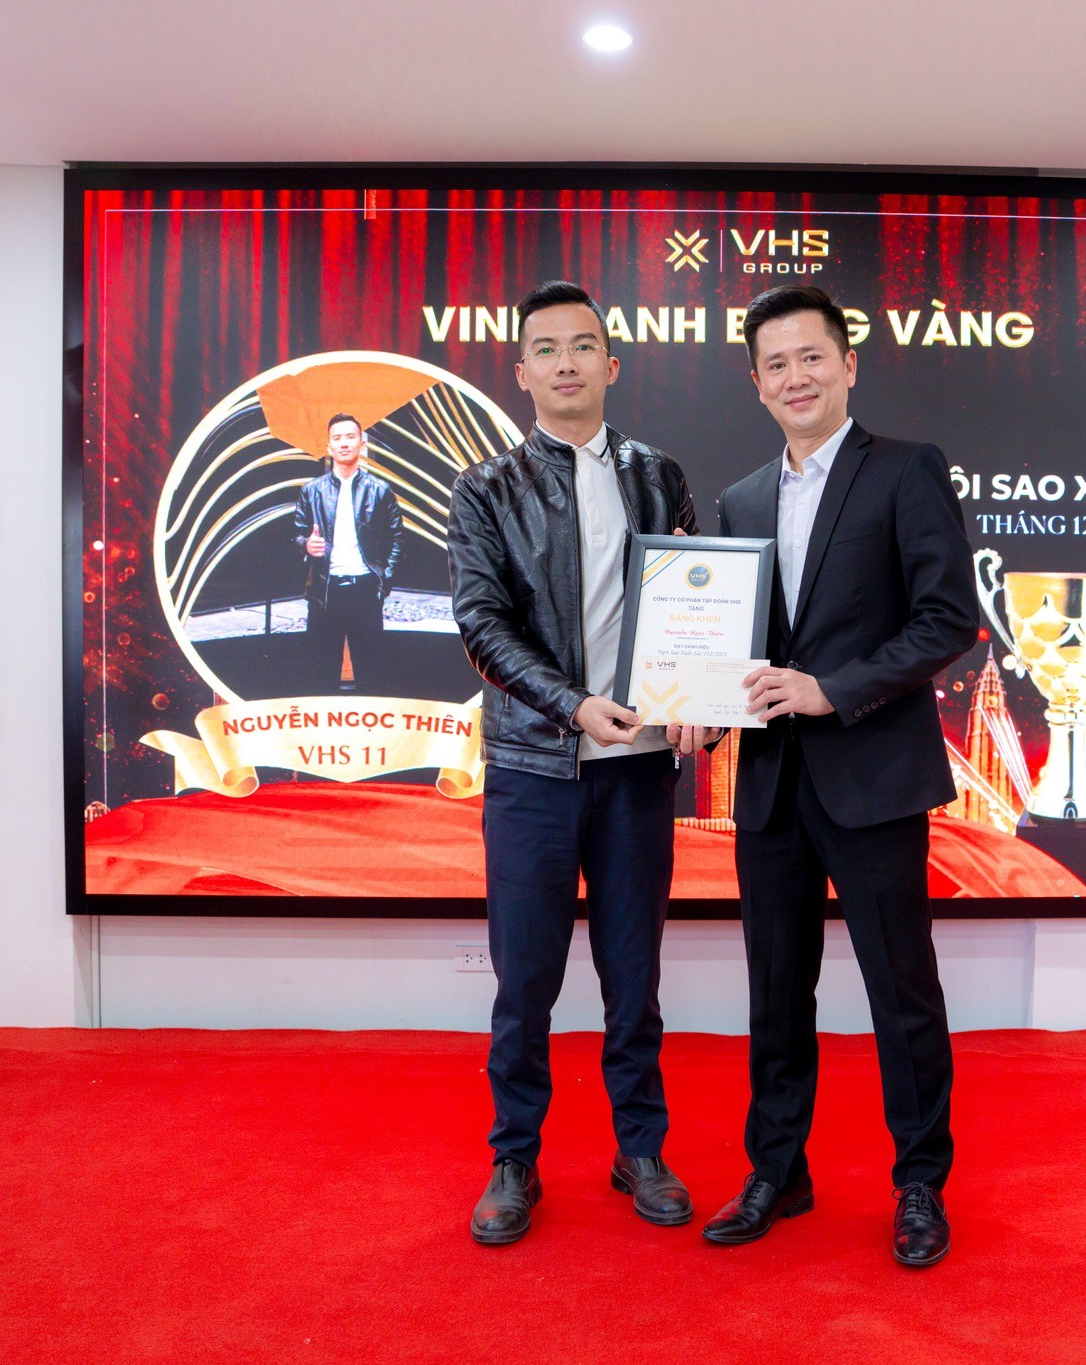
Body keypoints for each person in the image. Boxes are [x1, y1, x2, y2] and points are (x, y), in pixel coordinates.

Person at [695, 284, 979, 1267]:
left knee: (901, 990)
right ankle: (777, 1170)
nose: (795, 377)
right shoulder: (739, 499)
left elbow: (947, 620)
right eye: (775, 364)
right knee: (776, 991)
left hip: (874, 776)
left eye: (810, 356)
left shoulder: (904, 470)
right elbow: (734, 646)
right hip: (770, 784)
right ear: (755, 384)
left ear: (847, 364)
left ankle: (919, 1182)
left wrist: (833, 690)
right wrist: (697, 699)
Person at [446, 280, 715, 1246]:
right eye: (547, 349)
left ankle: (639, 1147)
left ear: (613, 363)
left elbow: (694, 605)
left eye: (584, 345)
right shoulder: (484, 489)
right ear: (521, 372)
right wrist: (570, 705)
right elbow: (481, 625)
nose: (567, 362)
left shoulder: (658, 475)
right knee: (525, 980)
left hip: (638, 769)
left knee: (633, 976)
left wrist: (700, 701)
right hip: (533, 770)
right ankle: (514, 1157)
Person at [291, 414, 401, 695]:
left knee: (371, 674)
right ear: (328, 446)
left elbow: (396, 538)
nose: (344, 443)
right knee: (321, 674)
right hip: (324, 591)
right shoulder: (312, 491)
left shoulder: (380, 490)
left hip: (365, 589)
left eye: (350, 437)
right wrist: (306, 545)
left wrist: (384, 581)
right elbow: (297, 534)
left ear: (362, 444)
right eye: (337, 438)